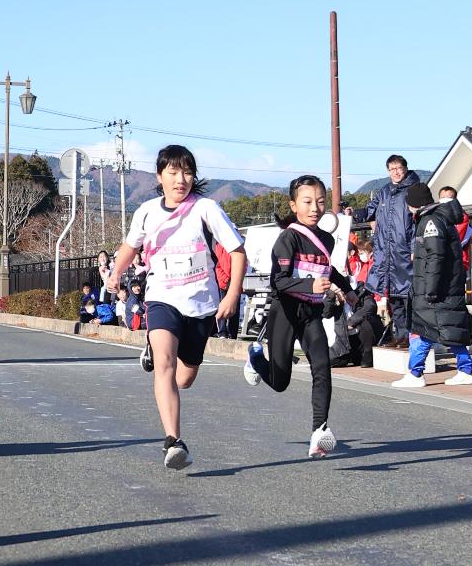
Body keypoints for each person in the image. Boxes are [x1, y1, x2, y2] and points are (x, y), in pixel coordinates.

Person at [106, 144, 246, 471]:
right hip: (161, 297)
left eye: (186, 172)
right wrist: (114, 274)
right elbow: (130, 246)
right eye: (173, 172)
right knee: (165, 363)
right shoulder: (147, 212)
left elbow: (237, 252)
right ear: (160, 176)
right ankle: (173, 440)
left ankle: (156, 350)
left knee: (183, 379)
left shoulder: (206, 208)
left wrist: (232, 295)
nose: (180, 179)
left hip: (201, 304)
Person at [243, 175, 356, 458]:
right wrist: (309, 285)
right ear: (294, 205)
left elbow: (329, 271)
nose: (315, 208)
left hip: (311, 314)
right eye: (307, 202)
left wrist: (349, 291)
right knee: (280, 382)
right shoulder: (288, 238)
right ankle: (256, 358)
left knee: (322, 367)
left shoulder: (327, 239)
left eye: (320, 201)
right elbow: (278, 281)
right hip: (285, 312)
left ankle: (320, 431)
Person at [391, 183, 472, 388]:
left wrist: (429, 288)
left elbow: (435, 256)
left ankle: (415, 373)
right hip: (444, 285)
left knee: (423, 329)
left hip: (434, 288)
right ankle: (465, 369)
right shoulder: (440, 218)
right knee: (446, 329)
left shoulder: (430, 221)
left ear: (415, 204)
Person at [352, 155, 419, 348]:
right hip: (385, 250)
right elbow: (370, 210)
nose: (396, 172)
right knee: (394, 296)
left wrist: (414, 247)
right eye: (392, 169)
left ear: (405, 168)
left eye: (399, 168)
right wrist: (355, 213)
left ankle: (413, 337)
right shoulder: (384, 191)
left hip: (404, 250)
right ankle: (401, 334)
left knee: (409, 295)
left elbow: (418, 222)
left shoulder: (414, 190)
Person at [325, 281, 383, 368]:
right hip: (345, 340)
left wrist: (352, 321)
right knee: (328, 361)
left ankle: (367, 355)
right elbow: (326, 314)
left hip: (362, 336)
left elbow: (370, 306)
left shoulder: (362, 290)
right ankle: (352, 357)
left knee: (367, 320)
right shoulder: (333, 293)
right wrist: (331, 295)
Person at [438, 186, 472, 272]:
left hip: (458, 262)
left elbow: (456, 238)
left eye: (449, 198)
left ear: (455, 199)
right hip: (441, 262)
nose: (445, 200)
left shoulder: (462, 217)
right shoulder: (437, 216)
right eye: (442, 197)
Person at [214, 242, 241, 339]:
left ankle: (233, 333)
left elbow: (243, 264)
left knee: (235, 309)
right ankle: (222, 331)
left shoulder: (239, 247)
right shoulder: (220, 246)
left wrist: (236, 280)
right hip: (224, 282)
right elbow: (218, 266)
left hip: (235, 282)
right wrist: (226, 279)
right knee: (222, 306)